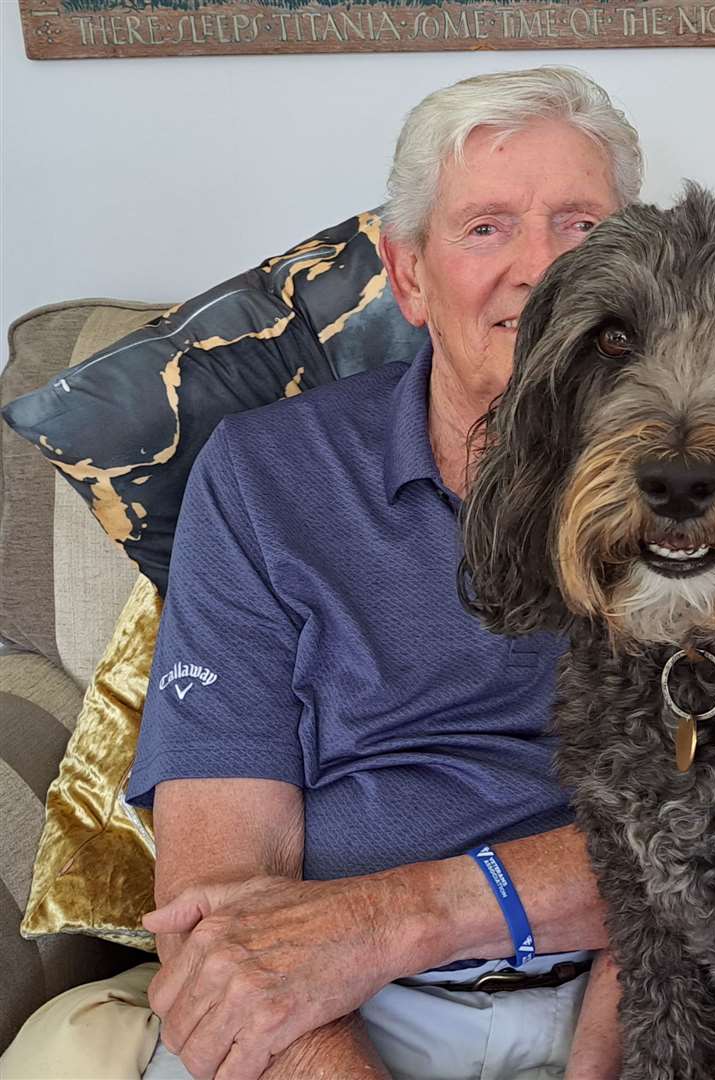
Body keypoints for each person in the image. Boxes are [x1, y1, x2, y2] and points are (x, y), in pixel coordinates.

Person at [43, 67, 638, 1080]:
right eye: (487, 227)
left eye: (582, 226)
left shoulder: (705, 479)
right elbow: (223, 896)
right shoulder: (268, 476)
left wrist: (402, 917)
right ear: (407, 278)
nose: (543, 269)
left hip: (630, 992)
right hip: (330, 1015)